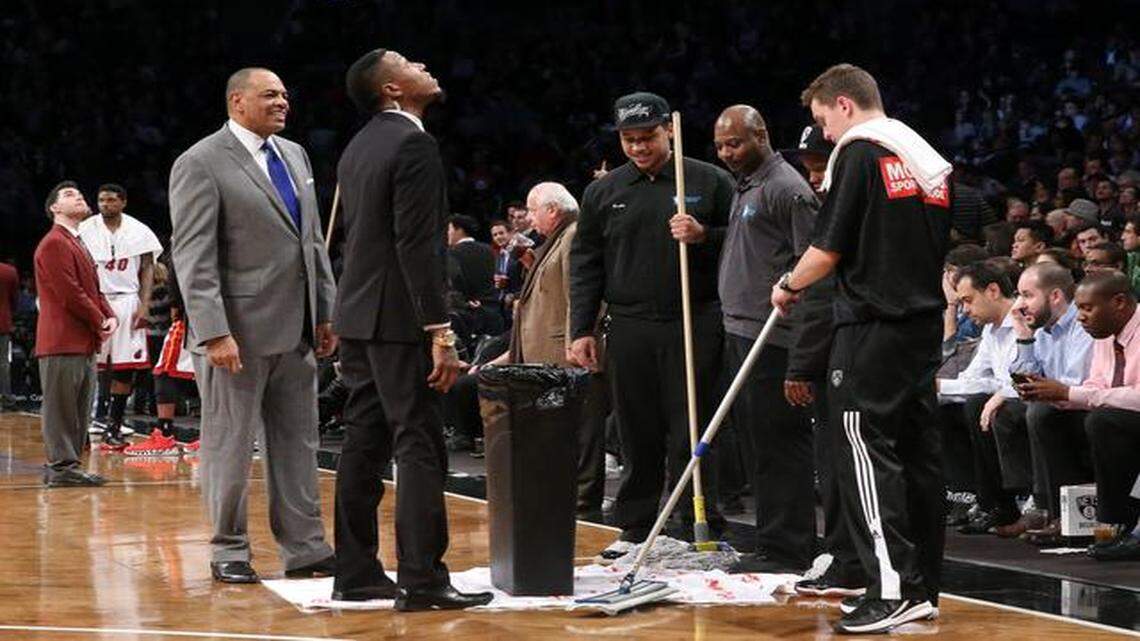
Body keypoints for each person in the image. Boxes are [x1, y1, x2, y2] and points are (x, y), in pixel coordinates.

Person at [771, 63, 951, 633]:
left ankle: (892, 589)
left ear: (844, 106)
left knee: (866, 456)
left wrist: (787, 284)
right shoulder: (924, 157)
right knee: (917, 456)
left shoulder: (858, 150)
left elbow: (826, 252)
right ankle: (920, 586)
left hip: (872, 326)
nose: (825, 134)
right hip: (922, 326)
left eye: (823, 120)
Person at [332, 47, 492, 610]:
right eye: (406, 61)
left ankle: (354, 574)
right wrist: (440, 330)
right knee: (419, 443)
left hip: (358, 316)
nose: (424, 64)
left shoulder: (357, 146)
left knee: (363, 442)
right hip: (400, 319)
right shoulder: (414, 143)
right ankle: (423, 579)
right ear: (392, 89)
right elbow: (417, 245)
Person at [169, 67, 337, 584]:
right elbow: (192, 254)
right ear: (237, 102)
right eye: (271, 95)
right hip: (235, 335)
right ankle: (228, 548)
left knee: (299, 442)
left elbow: (312, 241)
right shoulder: (199, 161)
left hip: (299, 328)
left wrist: (325, 310)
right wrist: (213, 331)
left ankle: (306, 547)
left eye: (286, 94)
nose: (283, 102)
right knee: (230, 444)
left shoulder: (295, 155)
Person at [569, 91, 733, 552]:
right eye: (630, 140)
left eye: (648, 137)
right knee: (635, 429)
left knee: (692, 428)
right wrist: (581, 328)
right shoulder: (603, 191)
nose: (639, 147)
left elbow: (741, 244)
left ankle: (699, 521)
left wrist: (704, 235)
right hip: (629, 324)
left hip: (694, 319)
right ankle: (636, 526)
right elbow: (586, 264)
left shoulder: (710, 180)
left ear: (670, 131)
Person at [712, 104, 818, 573]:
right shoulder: (748, 183)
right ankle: (772, 540)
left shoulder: (787, 189)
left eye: (734, 143)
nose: (726, 153)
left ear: (762, 134)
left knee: (779, 446)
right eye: (719, 145)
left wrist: (801, 358)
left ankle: (789, 548)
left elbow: (812, 269)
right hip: (740, 330)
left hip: (774, 339)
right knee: (757, 446)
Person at [479, 182, 608, 516]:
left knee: (579, 434)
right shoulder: (558, 239)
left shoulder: (576, 233)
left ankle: (580, 505)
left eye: (533, 211)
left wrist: (577, 339)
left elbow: (583, 294)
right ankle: (562, 498)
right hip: (548, 357)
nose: (529, 220)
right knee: (556, 435)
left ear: (552, 210)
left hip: (567, 355)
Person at [1016, 271, 1138, 561]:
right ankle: (1068, 517)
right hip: (1118, 416)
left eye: (1087, 308)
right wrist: (1054, 395)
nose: (1081, 317)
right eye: (1079, 309)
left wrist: (1069, 393)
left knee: (1103, 421)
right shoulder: (1105, 334)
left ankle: (1119, 523)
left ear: (1119, 302)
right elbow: (1096, 386)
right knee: (1045, 414)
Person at [991, 263, 1094, 543]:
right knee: (1004, 413)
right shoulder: (1041, 328)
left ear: (1056, 297)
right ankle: (1032, 502)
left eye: (1027, 295)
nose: (1020, 304)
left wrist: (1038, 389)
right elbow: (1023, 380)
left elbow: (1073, 384)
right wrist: (1024, 337)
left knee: (1041, 413)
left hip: (1085, 405)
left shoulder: (1082, 324)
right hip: (1057, 403)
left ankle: (1055, 510)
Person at [34, 182, 116, 487]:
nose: (79, 196)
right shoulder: (55, 243)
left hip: (80, 340)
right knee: (61, 408)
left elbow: (92, 288)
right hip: (62, 340)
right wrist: (100, 319)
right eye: (69, 195)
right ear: (54, 208)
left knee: (78, 407)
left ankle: (69, 465)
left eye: (80, 193)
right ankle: (61, 467)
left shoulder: (75, 241)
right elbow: (70, 292)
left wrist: (109, 314)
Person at [936, 263, 1021, 535]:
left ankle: (999, 502)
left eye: (968, 301)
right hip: (1001, 398)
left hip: (1026, 399)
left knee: (977, 404)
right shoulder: (990, 330)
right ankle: (966, 495)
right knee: (944, 408)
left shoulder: (1023, 321)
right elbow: (971, 377)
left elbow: (1015, 380)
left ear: (993, 291)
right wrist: (938, 388)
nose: (965, 310)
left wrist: (946, 386)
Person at [78, 183, 162, 449]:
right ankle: (86, 424)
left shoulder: (139, 231)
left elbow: (149, 267)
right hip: (95, 301)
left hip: (127, 300)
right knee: (89, 365)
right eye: (101, 200)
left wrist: (145, 304)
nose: (105, 204)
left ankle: (113, 426)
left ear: (123, 202)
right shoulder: (85, 228)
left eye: (111, 200)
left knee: (125, 369)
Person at [0, 258, 18, 408]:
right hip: (3, 322)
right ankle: (6, 397)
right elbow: (14, 299)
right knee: (3, 363)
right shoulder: (9, 272)